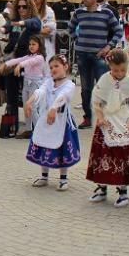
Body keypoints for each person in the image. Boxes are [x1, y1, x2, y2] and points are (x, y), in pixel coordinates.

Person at [87, 49, 129, 208]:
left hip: (125, 119)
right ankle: (102, 187)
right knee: (103, 155)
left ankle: (123, 191)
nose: (119, 73)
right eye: (115, 70)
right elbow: (97, 102)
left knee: (124, 155)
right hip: (107, 121)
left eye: (122, 70)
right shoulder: (104, 80)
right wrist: (99, 117)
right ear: (110, 67)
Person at [24, 55, 80, 191]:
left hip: (62, 122)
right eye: (51, 67)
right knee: (44, 145)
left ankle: (63, 178)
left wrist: (54, 108)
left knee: (62, 150)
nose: (53, 69)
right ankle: (44, 176)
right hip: (47, 119)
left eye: (56, 66)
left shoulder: (70, 84)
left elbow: (63, 96)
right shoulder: (48, 82)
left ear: (65, 67)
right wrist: (30, 101)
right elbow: (40, 91)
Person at [71, 0, 123, 129]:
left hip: (99, 56)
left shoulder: (106, 13)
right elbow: (71, 28)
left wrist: (108, 47)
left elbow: (119, 31)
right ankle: (88, 117)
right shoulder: (78, 12)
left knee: (103, 87)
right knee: (85, 89)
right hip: (82, 55)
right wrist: (77, 40)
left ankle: (104, 117)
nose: (84, 0)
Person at [3, 36, 48, 134]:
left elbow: (28, 62)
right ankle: (28, 130)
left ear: (39, 46)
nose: (31, 46)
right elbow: (18, 60)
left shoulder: (40, 58)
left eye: (34, 44)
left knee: (33, 108)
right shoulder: (29, 56)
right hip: (26, 84)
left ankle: (38, 131)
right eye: (30, 44)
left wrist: (20, 66)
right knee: (26, 107)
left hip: (35, 84)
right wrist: (6, 64)